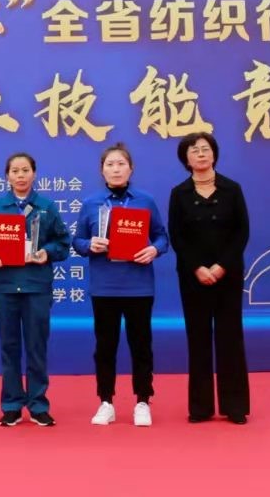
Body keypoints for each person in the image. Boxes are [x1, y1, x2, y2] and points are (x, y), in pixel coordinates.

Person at [73, 142, 168, 427]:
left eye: (121, 164)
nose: (116, 169)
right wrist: (89, 245)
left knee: (141, 345)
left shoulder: (145, 200)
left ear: (131, 168)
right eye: (110, 164)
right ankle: (106, 401)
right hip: (104, 286)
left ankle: (142, 400)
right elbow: (77, 241)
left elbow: (162, 236)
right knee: (105, 346)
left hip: (139, 286)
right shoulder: (91, 203)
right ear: (102, 170)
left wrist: (154, 249)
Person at [0, 152, 71, 427]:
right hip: (5, 286)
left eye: (25, 170)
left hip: (36, 286)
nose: (20, 175)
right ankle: (12, 405)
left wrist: (47, 252)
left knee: (37, 346)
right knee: (9, 347)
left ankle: (38, 404)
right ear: (7, 176)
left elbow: (63, 243)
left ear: (34, 174)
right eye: (15, 171)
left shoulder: (46, 207)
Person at [168, 132, 251, 424]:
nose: (201, 154)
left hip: (227, 275)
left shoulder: (232, 189)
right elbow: (177, 236)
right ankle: (200, 407)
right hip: (193, 277)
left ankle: (235, 406)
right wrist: (198, 268)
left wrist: (222, 266)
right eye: (194, 150)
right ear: (186, 159)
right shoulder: (179, 193)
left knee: (231, 337)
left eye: (205, 149)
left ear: (214, 154)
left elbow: (242, 232)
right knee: (198, 338)